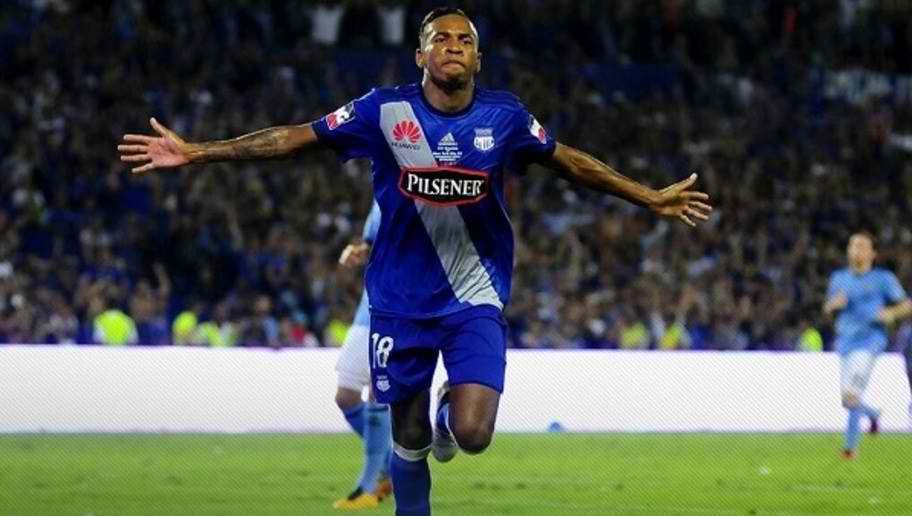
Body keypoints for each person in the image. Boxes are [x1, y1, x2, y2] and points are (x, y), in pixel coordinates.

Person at [118, 7, 712, 515]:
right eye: (440, 38)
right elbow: (294, 138)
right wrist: (199, 152)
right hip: (399, 301)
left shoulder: (505, 117)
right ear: (420, 55)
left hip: (474, 294)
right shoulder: (382, 111)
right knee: (407, 437)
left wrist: (647, 195)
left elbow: (571, 161)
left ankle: (450, 414)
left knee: (472, 433)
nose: (453, 46)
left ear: (478, 59)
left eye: (465, 40)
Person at [823, 232, 912, 459]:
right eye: (853, 245)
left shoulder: (883, 279)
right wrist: (833, 305)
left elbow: (906, 305)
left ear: (873, 253)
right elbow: (827, 309)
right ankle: (873, 415)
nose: (856, 250)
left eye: (862, 246)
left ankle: (850, 448)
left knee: (852, 394)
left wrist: (891, 313)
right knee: (848, 399)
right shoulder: (839, 278)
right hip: (845, 342)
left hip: (870, 341)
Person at [332, 201, 393, 510]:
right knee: (346, 395)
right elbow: (372, 240)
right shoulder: (380, 191)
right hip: (369, 303)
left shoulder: (419, 185)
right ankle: (392, 467)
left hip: (399, 302)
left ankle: (367, 487)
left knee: (378, 391)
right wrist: (360, 250)